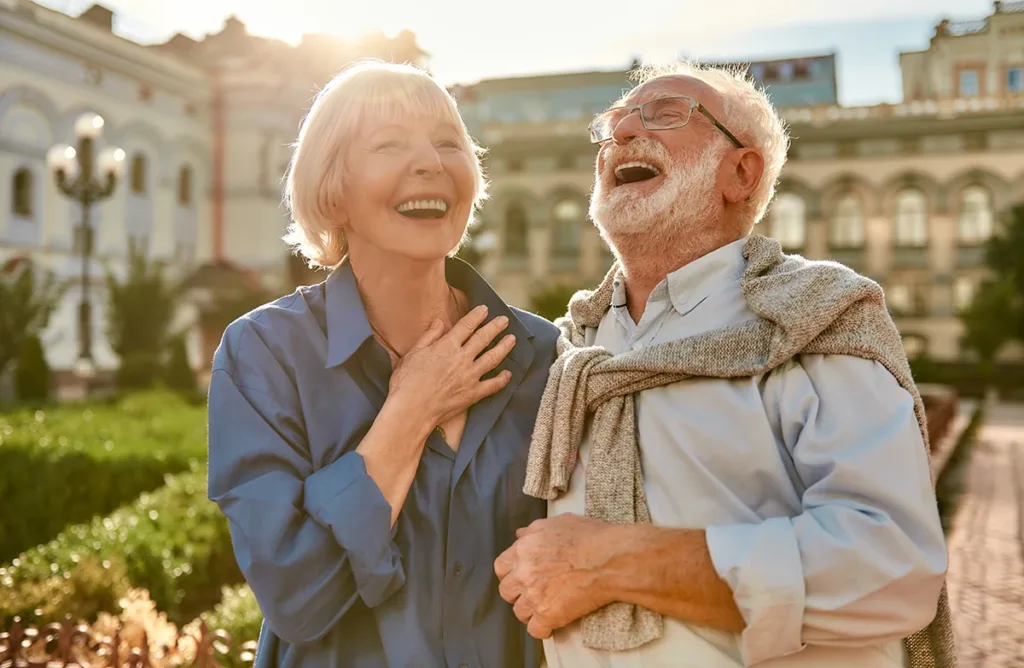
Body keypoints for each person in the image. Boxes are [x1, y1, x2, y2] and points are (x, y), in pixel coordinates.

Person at [494, 62, 955, 668]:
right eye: (612, 125)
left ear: (741, 172)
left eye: (663, 114)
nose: (624, 133)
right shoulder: (567, 350)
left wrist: (612, 562)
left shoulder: (811, 317)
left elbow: (892, 568)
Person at [207, 60, 558, 668]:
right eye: (390, 143)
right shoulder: (263, 354)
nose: (430, 162)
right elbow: (297, 597)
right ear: (333, 187)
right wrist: (410, 411)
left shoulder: (543, 354)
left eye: (448, 143)